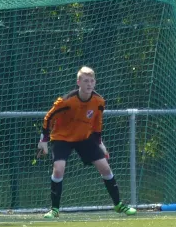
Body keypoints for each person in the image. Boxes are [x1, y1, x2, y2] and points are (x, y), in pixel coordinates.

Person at [37, 66, 136, 218]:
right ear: (78, 82)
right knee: (58, 169)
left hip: (84, 138)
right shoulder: (67, 101)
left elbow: (97, 124)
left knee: (105, 168)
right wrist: (43, 140)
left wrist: (100, 143)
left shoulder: (99, 101)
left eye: (91, 81)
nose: (89, 84)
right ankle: (54, 209)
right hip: (62, 138)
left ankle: (118, 204)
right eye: (85, 81)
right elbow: (48, 118)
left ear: (95, 82)